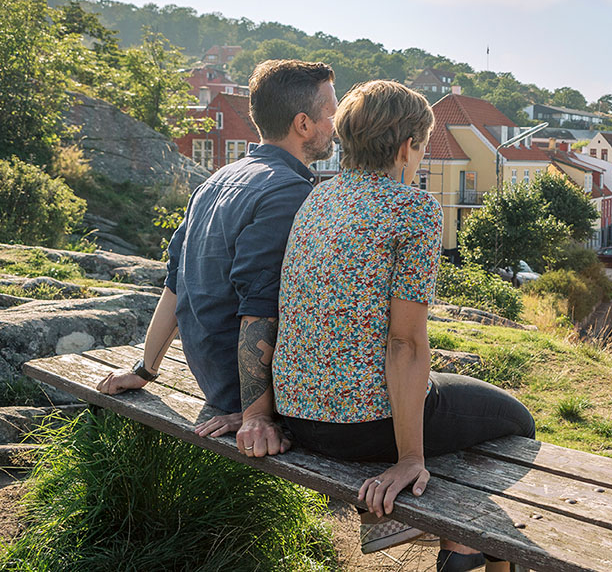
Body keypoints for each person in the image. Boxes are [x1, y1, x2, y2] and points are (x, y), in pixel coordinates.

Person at [272, 81, 534, 572]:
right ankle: (463, 545)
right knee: (517, 422)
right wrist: (410, 457)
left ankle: (457, 540)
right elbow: (406, 343)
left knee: (460, 410)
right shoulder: (413, 210)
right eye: (421, 146)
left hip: (300, 417)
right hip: (363, 427)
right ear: (405, 147)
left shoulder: (316, 199)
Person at [98, 60, 337, 457]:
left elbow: (175, 283)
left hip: (218, 380)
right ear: (303, 124)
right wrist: (255, 414)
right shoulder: (288, 193)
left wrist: (144, 371)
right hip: (248, 393)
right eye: (331, 113)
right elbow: (259, 308)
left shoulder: (217, 179)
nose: (337, 123)